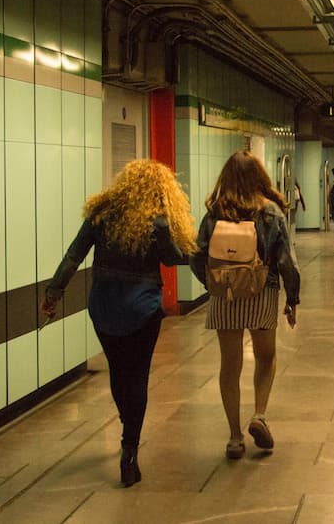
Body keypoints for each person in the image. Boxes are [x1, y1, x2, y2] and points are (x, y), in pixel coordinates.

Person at [41, 159, 197, 487]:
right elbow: (172, 258)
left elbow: (73, 255)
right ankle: (129, 448)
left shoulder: (100, 214)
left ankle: (127, 423)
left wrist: (53, 293)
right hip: (142, 308)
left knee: (118, 371)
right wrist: (187, 241)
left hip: (104, 306)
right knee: (137, 376)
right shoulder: (157, 221)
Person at [190, 151, 300, 460]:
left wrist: (214, 284)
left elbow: (196, 257)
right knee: (266, 358)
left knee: (230, 365)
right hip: (261, 292)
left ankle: (235, 437)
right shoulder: (271, 212)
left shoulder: (214, 213)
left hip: (225, 297)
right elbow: (287, 262)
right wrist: (292, 299)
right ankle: (259, 415)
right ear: (259, 177)